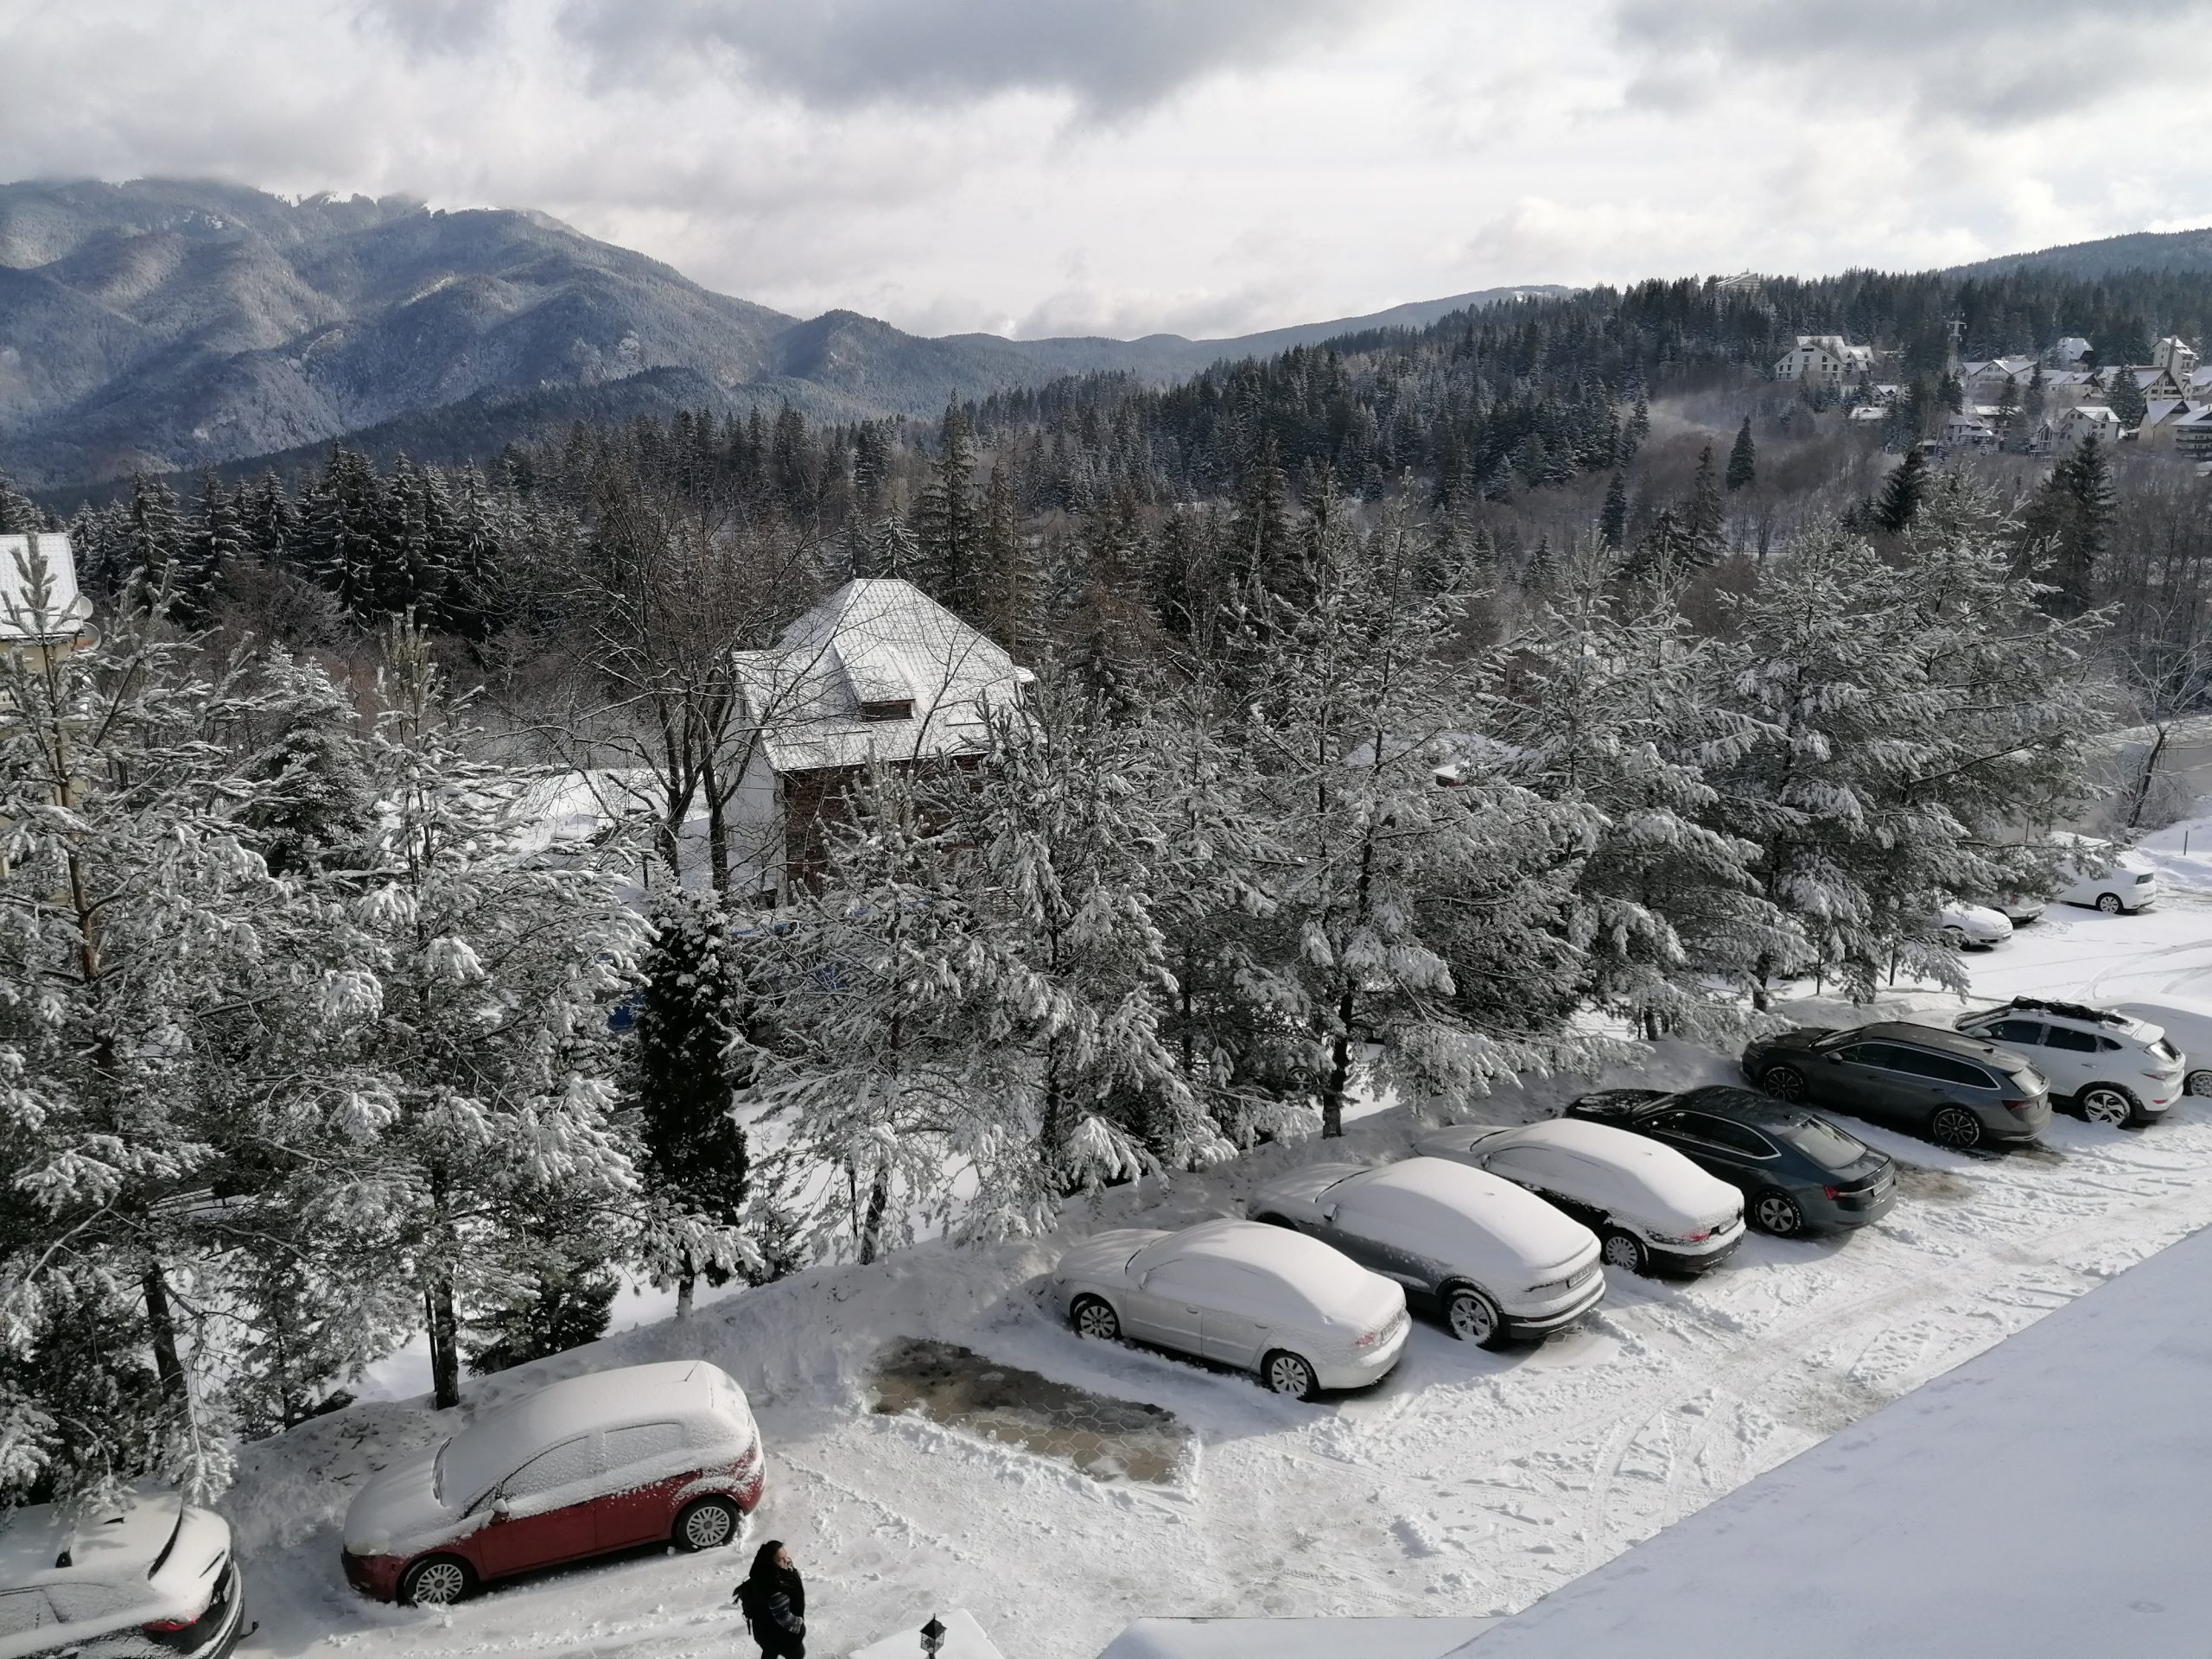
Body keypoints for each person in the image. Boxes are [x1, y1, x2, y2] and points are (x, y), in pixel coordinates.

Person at [734, 1539, 805, 1658]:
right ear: (770, 1563)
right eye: (780, 1560)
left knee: (769, 1653)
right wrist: (800, 1625)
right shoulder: (777, 1587)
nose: (786, 1561)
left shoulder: (760, 1574)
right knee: (797, 1655)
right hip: (784, 1638)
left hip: (763, 1632)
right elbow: (785, 1619)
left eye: (786, 1556)